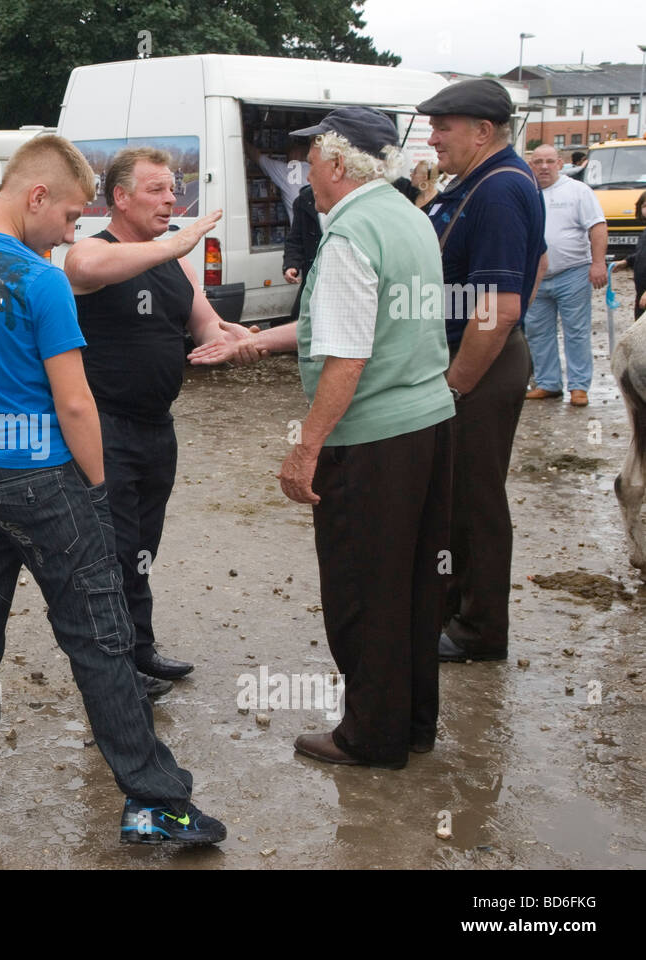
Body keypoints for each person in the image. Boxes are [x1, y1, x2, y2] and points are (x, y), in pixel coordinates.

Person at [0, 134, 226, 844]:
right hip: (45, 481)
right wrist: (96, 484)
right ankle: (152, 800)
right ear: (36, 196)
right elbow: (77, 406)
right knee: (100, 637)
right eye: (71, 216)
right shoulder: (39, 279)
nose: (72, 233)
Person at [198, 106, 456, 768]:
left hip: (372, 440)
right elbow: (341, 324)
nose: (302, 172)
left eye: (310, 160)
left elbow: (346, 356)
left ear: (339, 165)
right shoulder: (405, 217)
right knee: (414, 584)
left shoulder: (346, 237)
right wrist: (254, 340)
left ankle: (369, 736)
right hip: (428, 427)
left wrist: (306, 445)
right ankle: (412, 723)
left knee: (362, 587)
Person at [63, 147, 257, 697]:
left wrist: (240, 339)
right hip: (103, 427)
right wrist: (171, 243)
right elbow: (85, 271)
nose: (172, 199)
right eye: (157, 190)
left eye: (173, 189)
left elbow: (206, 325)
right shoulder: (89, 252)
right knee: (110, 549)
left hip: (156, 427)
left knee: (143, 546)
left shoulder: (176, 260)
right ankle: (114, 671)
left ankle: (139, 650)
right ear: (119, 198)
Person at [417, 78, 548, 664]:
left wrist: (456, 384)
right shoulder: (483, 182)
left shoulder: (498, 189)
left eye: (444, 126)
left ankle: (480, 631)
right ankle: (451, 610)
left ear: (483, 131)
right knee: (455, 496)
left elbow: (500, 306)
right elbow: (536, 261)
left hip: (480, 365)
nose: (433, 135)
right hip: (481, 354)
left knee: (475, 500)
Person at [524, 144, 608, 406]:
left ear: (560, 164)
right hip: (537, 276)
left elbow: (597, 226)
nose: (544, 167)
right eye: (538, 162)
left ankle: (579, 386)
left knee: (577, 330)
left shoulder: (578, 191)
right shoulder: (526, 191)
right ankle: (548, 383)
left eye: (549, 161)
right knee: (537, 331)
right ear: (531, 165)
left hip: (572, 272)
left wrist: (598, 263)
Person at [282, 184, 322, 322]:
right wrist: (291, 265)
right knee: (302, 323)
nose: (309, 176)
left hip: (341, 280)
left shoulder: (352, 202)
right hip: (312, 277)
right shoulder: (304, 200)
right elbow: (295, 239)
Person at [247, 139, 311, 222]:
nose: (287, 158)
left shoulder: (288, 171)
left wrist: (241, 141)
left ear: (296, 152)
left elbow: (257, 157)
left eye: (290, 152)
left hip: (301, 233)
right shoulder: (318, 169)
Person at [610, 190, 646, 321]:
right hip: (641, 293)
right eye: (645, 206)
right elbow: (641, 255)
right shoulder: (645, 233)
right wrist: (626, 262)